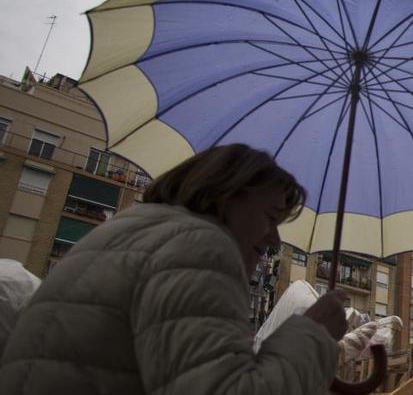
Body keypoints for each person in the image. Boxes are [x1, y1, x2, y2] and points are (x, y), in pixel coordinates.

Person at [0, 144, 347, 394]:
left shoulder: (129, 230)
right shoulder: (199, 247)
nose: (274, 239)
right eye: (271, 217)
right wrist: (313, 334)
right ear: (228, 195)